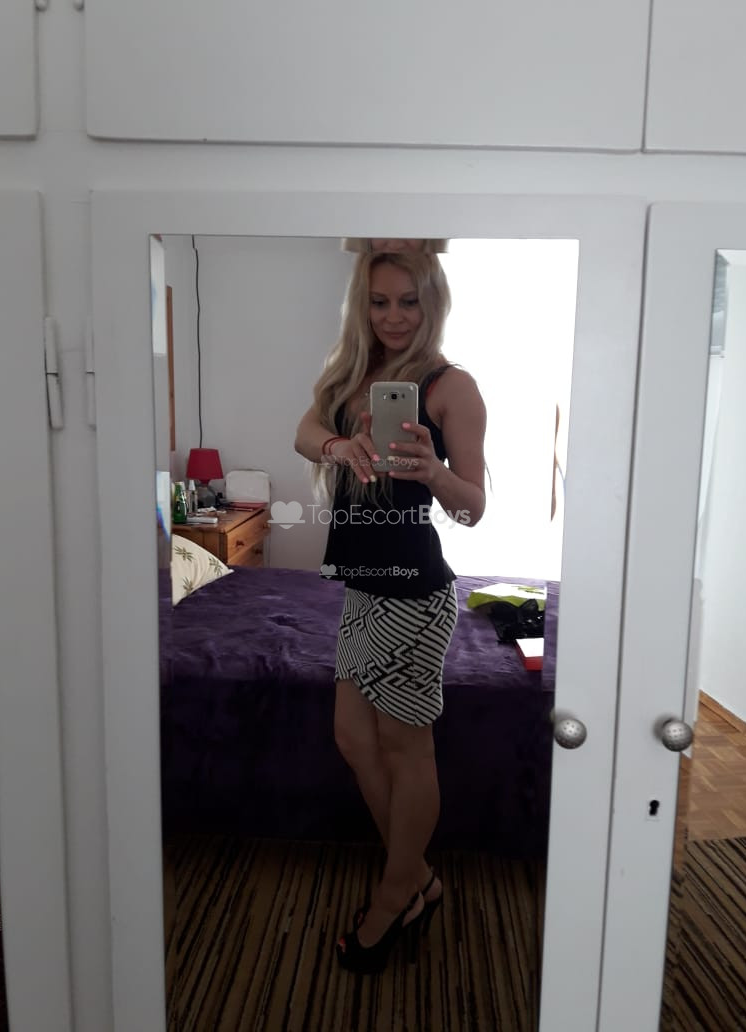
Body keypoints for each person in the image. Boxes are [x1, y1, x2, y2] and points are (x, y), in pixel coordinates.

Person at [294, 248, 487, 974]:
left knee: (408, 749)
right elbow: (302, 432)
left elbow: (472, 507)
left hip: (414, 593)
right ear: (362, 304)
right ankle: (417, 876)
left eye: (409, 301)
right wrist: (338, 445)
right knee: (352, 737)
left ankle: (396, 892)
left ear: (431, 303)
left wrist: (433, 472)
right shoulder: (351, 374)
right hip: (364, 587)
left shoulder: (449, 386)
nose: (394, 316)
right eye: (380, 301)